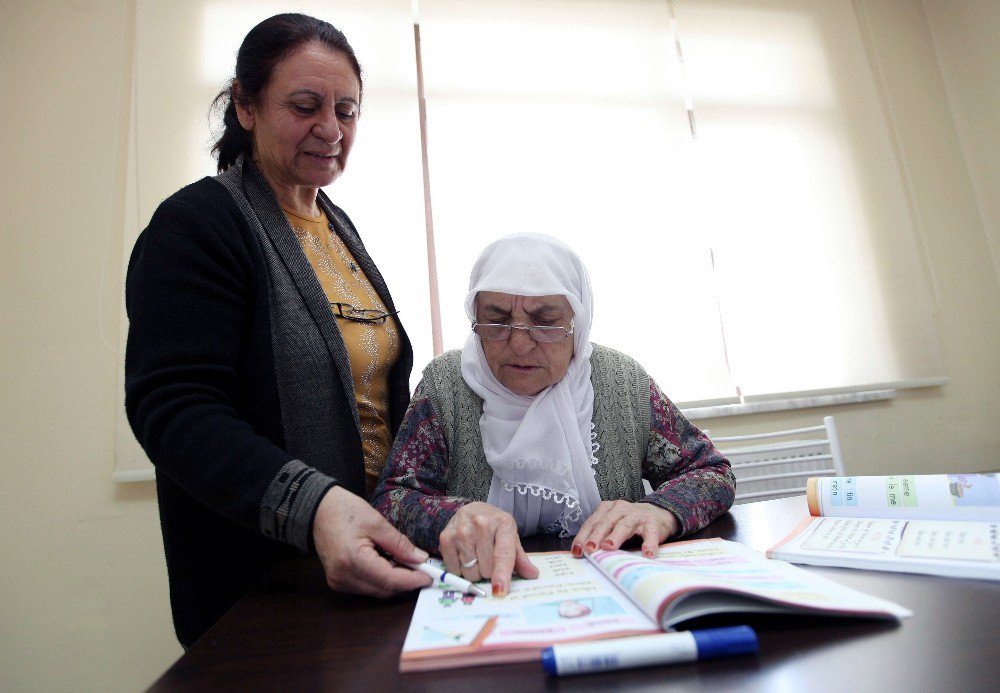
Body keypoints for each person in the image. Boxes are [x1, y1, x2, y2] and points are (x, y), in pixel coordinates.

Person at [125, 13, 430, 648]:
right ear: (245, 104)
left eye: (346, 111)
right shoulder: (197, 224)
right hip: (265, 586)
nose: (331, 128)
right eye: (305, 106)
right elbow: (174, 409)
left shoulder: (339, 226)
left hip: (370, 565)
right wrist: (315, 506)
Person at [372, 233, 735, 597]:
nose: (519, 343)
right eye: (496, 320)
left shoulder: (622, 382)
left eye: (545, 322)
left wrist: (661, 511)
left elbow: (711, 472)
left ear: (579, 321)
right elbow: (391, 500)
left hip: (607, 597)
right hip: (487, 597)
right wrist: (451, 517)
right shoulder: (446, 385)